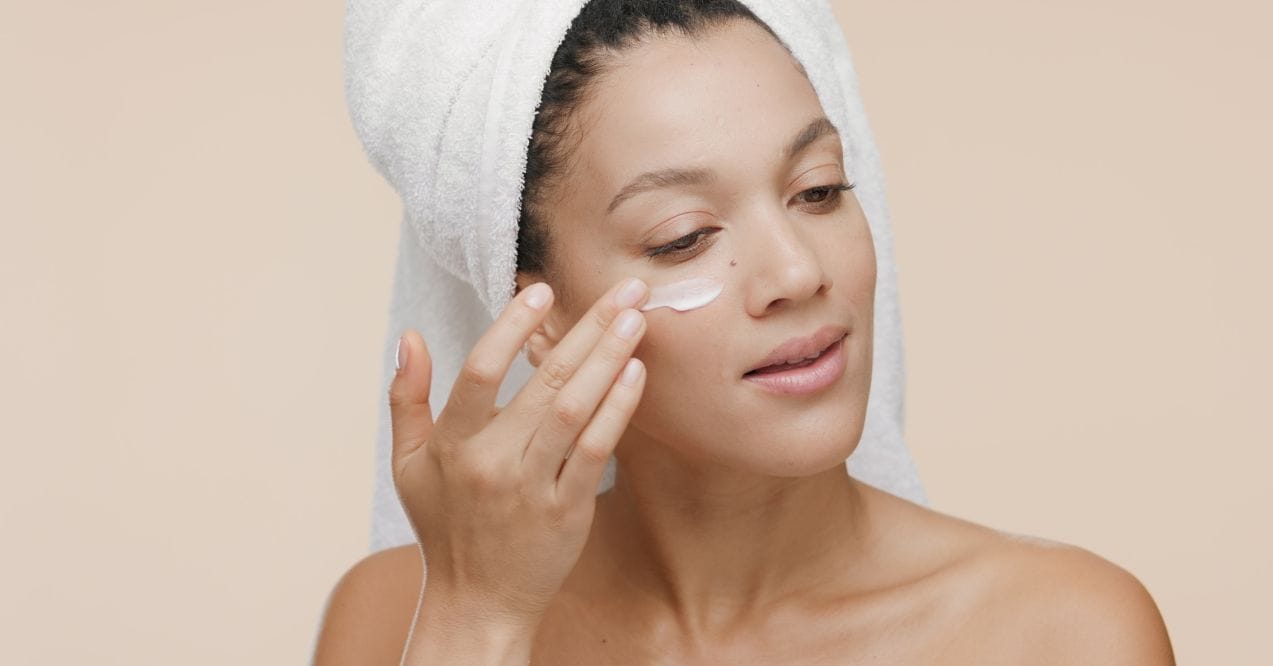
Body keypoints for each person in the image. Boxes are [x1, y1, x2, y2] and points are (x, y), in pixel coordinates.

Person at [313, 2, 1175, 664]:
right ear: (539, 317)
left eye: (818, 190)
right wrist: (478, 622)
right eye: (683, 236)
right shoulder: (397, 619)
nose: (798, 274)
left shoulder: (1058, 633)